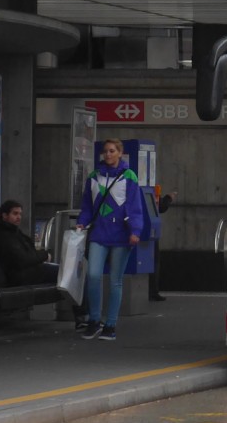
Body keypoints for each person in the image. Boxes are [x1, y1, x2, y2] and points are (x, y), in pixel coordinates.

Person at [75, 138, 143, 341]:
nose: (108, 154)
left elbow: (135, 206)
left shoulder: (129, 176)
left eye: (112, 151)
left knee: (115, 281)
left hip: (122, 234)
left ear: (120, 153)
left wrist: (135, 231)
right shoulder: (94, 176)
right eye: (106, 151)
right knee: (93, 275)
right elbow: (87, 205)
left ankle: (110, 325)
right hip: (99, 233)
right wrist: (82, 222)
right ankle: (94, 320)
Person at [0, 199, 57, 286]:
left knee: (57, 271)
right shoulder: (3, 235)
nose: (19, 217)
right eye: (15, 214)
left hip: (21, 272)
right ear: (5, 215)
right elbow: (21, 259)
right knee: (60, 273)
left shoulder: (11, 231)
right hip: (17, 276)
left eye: (20, 214)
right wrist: (44, 255)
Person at [149, 189, 176, 302]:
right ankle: (152, 291)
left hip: (144, 229)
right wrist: (168, 198)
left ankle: (151, 291)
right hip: (150, 229)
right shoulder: (149, 190)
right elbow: (160, 206)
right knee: (154, 261)